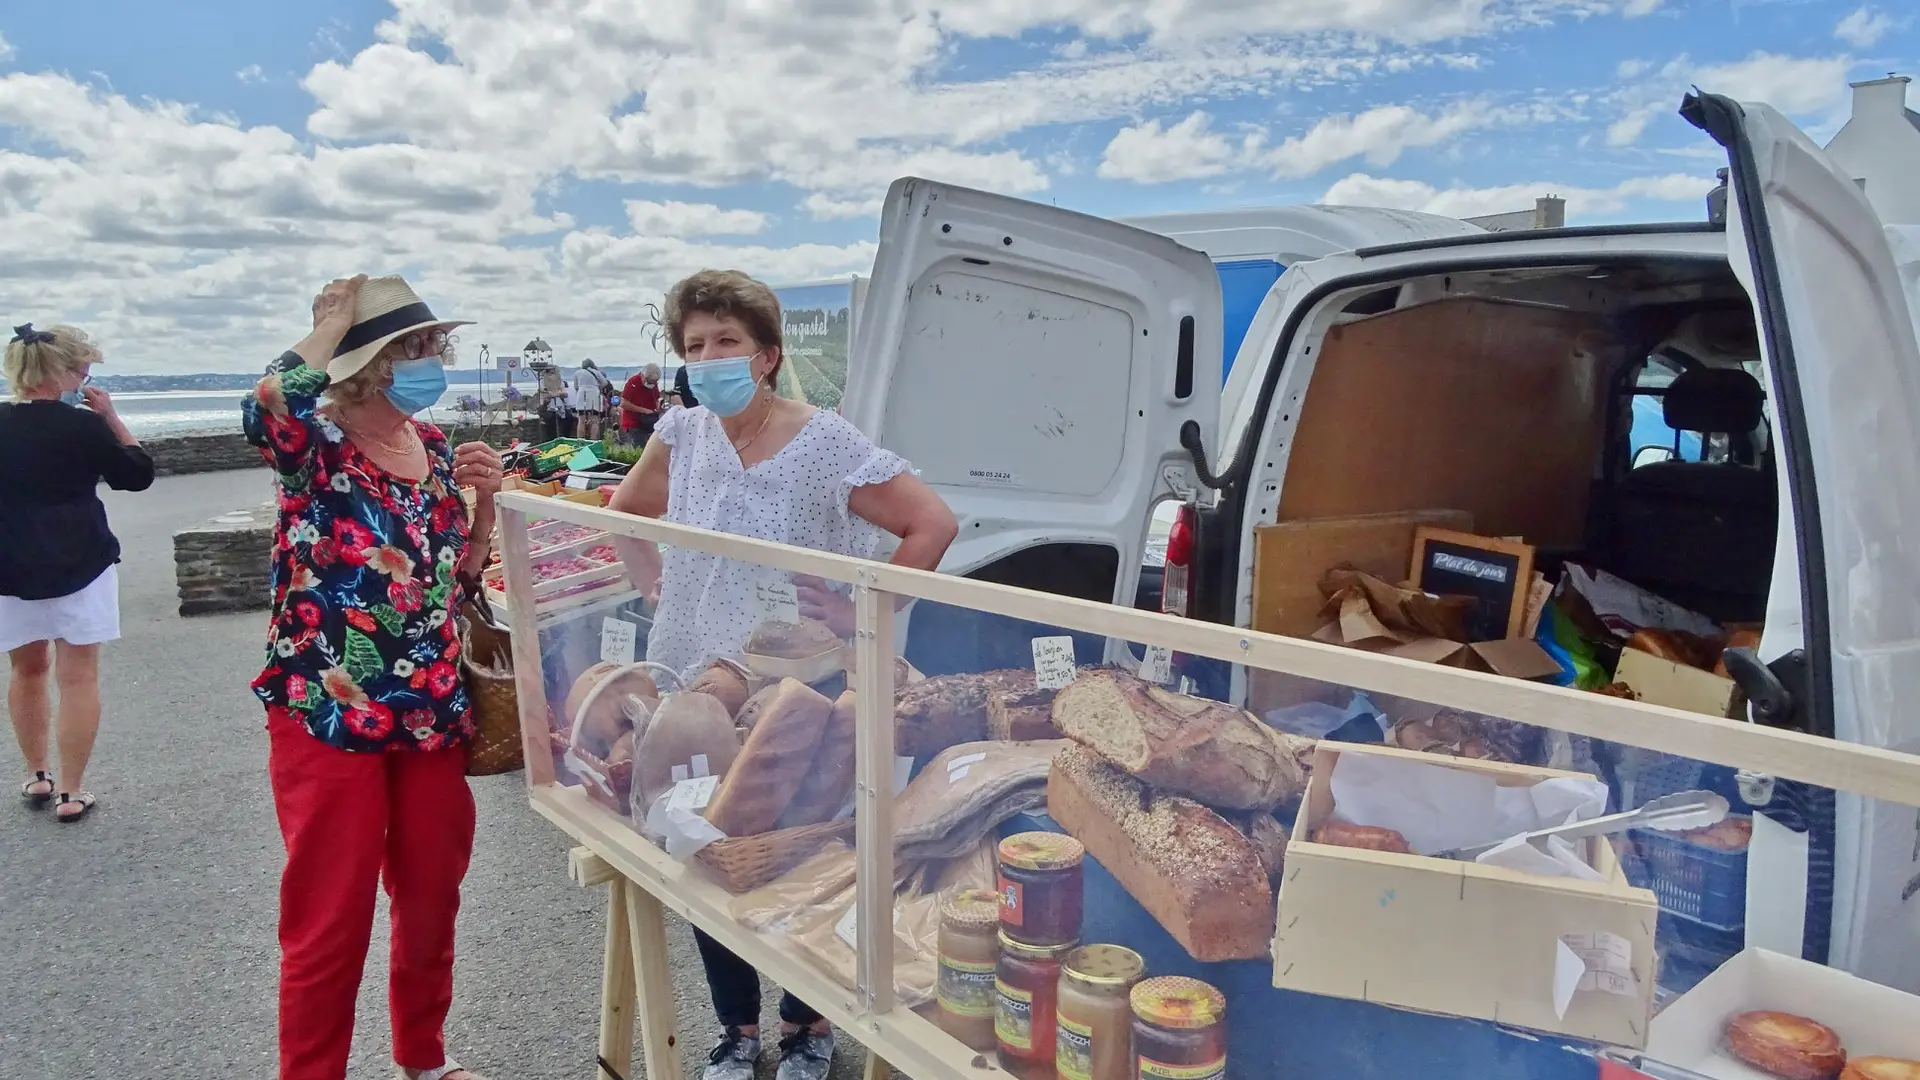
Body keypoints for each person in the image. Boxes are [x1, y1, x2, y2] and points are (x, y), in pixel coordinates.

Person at [607, 269, 957, 1080]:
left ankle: (808, 1026)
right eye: (694, 345)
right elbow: (624, 513)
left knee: (808, 849)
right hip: (702, 682)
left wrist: (862, 613)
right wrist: (659, 584)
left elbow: (930, 524)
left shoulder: (823, 438)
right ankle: (736, 1030)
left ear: (766, 354)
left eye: (726, 341)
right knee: (707, 837)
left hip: (800, 681)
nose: (708, 358)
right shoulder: (681, 434)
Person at [241, 274, 506, 1080]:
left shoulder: (428, 449)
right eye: (411, 349)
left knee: (432, 899)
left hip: (428, 713)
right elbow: (266, 405)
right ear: (365, 364)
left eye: (433, 347)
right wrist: (325, 327)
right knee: (330, 919)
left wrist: (483, 507)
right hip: (328, 712)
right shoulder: (314, 448)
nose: (431, 361)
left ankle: (422, 1057)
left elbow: (449, 583)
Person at [1, 323, 154, 823]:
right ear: (60, 372)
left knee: (26, 671)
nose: (85, 380)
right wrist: (111, 417)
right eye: (83, 371)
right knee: (78, 677)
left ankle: (37, 773)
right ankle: (71, 791)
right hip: (79, 559)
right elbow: (136, 475)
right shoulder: (83, 427)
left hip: (9, 564)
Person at [619, 362, 662, 446]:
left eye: (654, 382)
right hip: (634, 424)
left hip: (649, 422)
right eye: (649, 382)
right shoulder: (633, 382)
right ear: (643, 376)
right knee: (638, 449)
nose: (652, 384)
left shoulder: (653, 384)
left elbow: (656, 398)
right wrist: (644, 410)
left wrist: (659, 405)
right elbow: (623, 403)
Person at [572, 360, 610, 440]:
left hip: (581, 394)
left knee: (581, 419)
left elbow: (576, 386)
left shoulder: (577, 373)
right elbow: (605, 383)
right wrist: (597, 387)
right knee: (594, 419)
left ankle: (580, 440)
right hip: (594, 395)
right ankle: (593, 440)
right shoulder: (596, 372)